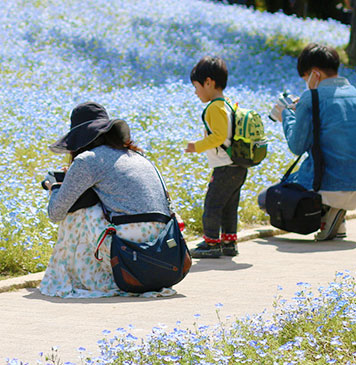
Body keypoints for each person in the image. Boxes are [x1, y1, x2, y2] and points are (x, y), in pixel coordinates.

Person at [40, 101, 174, 298]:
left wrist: (56, 187)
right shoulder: (137, 156)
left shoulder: (87, 159)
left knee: (80, 212)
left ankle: (85, 278)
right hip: (165, 246)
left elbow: (56, 213)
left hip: (129, 248)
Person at [259, 43, 356, 240]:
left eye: (305, 78)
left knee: (264, 199)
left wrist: (286, 114)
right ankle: (337, 219)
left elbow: (297, 146)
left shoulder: (311, 98)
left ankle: (329, 213)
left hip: (329, 186)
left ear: (314, 74)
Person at [185, 56, 247, 258]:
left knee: (212, 205)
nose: (196, 92)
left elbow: (219, 136)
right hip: (237, 165)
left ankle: (211, 244)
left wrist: (197, 146)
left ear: (209, 83)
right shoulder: (228, 104)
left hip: (225, 167)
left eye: (196, 87)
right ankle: (229, 243)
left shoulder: (214, 107)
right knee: (229, 206)